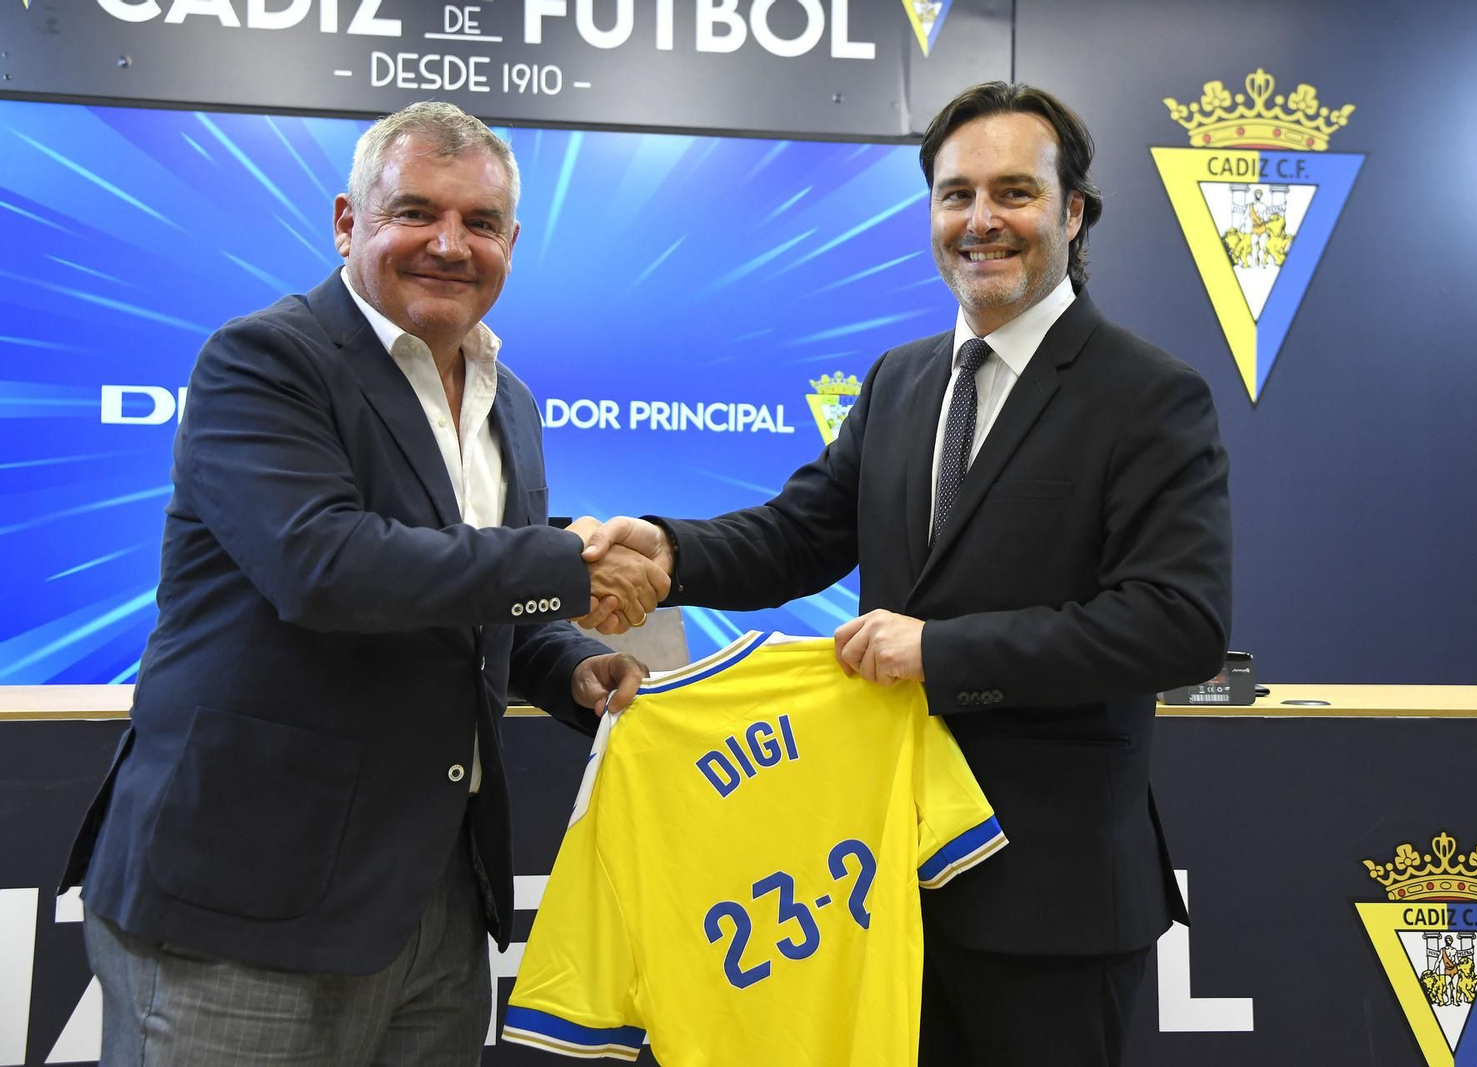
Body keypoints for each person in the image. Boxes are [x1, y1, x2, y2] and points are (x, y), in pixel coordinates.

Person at [582, 82, 1232, 1065]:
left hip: (1050, 901)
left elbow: (1175, 622)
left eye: (1014, 191)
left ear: (1073, 211)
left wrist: (939, 651)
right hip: (879, 886)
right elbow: (799, 534)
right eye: (954, 193)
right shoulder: (900, 378)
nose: (981, 221)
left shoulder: (1149, 395)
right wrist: (670, 554)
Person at [59, 102, 666, 1067]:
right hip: (246, 900)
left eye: (479, 222)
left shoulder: (511, 399)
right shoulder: (265, 359)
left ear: (513, 240)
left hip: (437, 898)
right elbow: (326, 566)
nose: (448, 244)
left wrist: (567, 664)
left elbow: (468, 608)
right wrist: (565, 565)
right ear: (348, 221)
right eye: (415, 212)